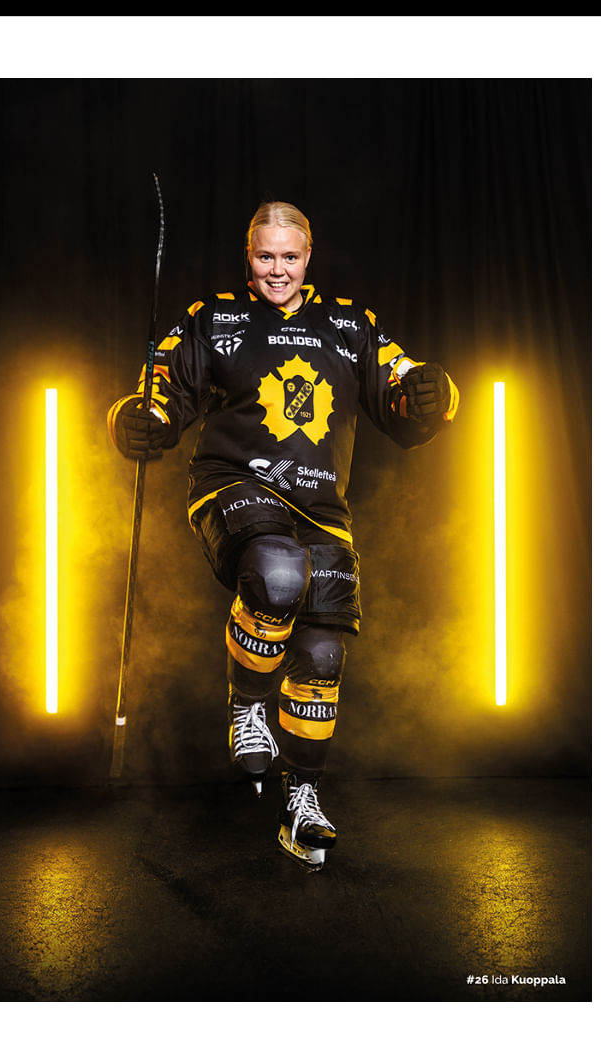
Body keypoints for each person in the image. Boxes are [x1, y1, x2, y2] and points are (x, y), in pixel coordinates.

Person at [107, 200, 459, 871]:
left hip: (321, 509)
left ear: (308, 257)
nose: (277, 270)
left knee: (322, 658)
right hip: (234, 486)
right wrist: (139, 416)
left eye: (289, 257)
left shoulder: (351, 324)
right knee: (277, 573)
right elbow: (163, 392)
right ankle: (247, 706)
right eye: (265, 256)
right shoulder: (214, 317)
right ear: (249, 255)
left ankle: (302, 801)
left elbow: (404, 393)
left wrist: (432, 395)